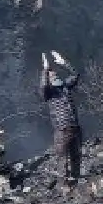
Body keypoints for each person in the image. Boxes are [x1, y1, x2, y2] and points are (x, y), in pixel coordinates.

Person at [40, 51, 82, 182]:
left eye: (55, 73)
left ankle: (75, 180)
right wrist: (45, 69)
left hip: (74, 127)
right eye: (52, 76)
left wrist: (63, 62)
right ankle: (63, 184)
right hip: (62, 130)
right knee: (62, 158)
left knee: (76, 156)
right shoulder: (49, 93)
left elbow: (75, 75)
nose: (55, 75)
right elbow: (43, 86)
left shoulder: (65, 87)